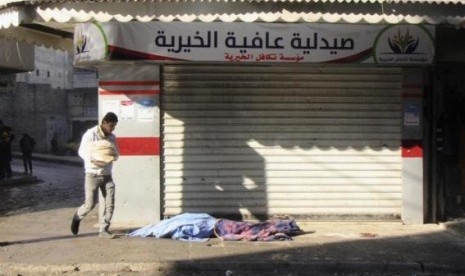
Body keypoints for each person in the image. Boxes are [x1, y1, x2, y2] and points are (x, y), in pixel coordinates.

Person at [71, 112, 119, 239]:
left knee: (110, 203)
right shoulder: (90, 134)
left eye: (114, 126)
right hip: (92, 174)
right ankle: (77, 217)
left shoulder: (112, 138)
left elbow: (116, 153)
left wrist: (112, 157)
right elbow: (82, 151)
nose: (112, 128)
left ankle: (104, 230)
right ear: (103, 123)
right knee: (90, 204)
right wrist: (93, 160)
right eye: (110, 125)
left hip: (107, 175)